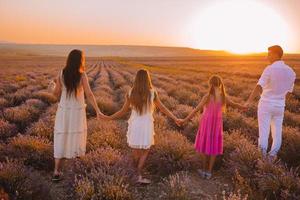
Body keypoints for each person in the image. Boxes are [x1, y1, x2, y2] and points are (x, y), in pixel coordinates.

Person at [106, 69, 180, 184]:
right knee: (145, 149)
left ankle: (134, 174)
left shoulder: (131, 92)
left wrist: (109, 117)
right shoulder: (152, 93)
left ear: (136, 79)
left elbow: (122, 111)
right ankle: (138, 174)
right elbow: (163, 108)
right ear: (147, 79)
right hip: (146, 124)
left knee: (136, 150)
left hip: (135, 123)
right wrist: (175, 118)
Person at [50, 49, 107, 182]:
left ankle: (56, 171)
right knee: (77, 137)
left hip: (64, 111)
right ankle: (76, 170)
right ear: (80, 60)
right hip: (76, 112)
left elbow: (55, 94)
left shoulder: (61, 73)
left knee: (61, 136)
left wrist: (52, 85)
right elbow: (89, 94)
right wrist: (98, 110)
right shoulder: (82, 75)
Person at [178, 75, 246, 179]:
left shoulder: (208, 96)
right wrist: (244, 107)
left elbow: (196, 109)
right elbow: (235, 104)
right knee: (213, 147)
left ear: (210, 84)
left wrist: (184, 120)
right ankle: (209, 172)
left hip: (207, 123)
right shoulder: (223, 97)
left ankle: (204, 170)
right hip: (217, 124)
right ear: (220, 84)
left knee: (205, 146)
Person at [244, 45, 296, 159]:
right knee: (277, 133)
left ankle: (262, 159)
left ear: (276, 54)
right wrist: (279, 98)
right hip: (280, 106)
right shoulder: (291, 72)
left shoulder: (269, 68)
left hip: (266, 104)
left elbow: (259, 87)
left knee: (264, 133)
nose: (267, 56)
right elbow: (289, 91)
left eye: (269, 54)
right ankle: (272, 157)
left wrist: (248, 101)